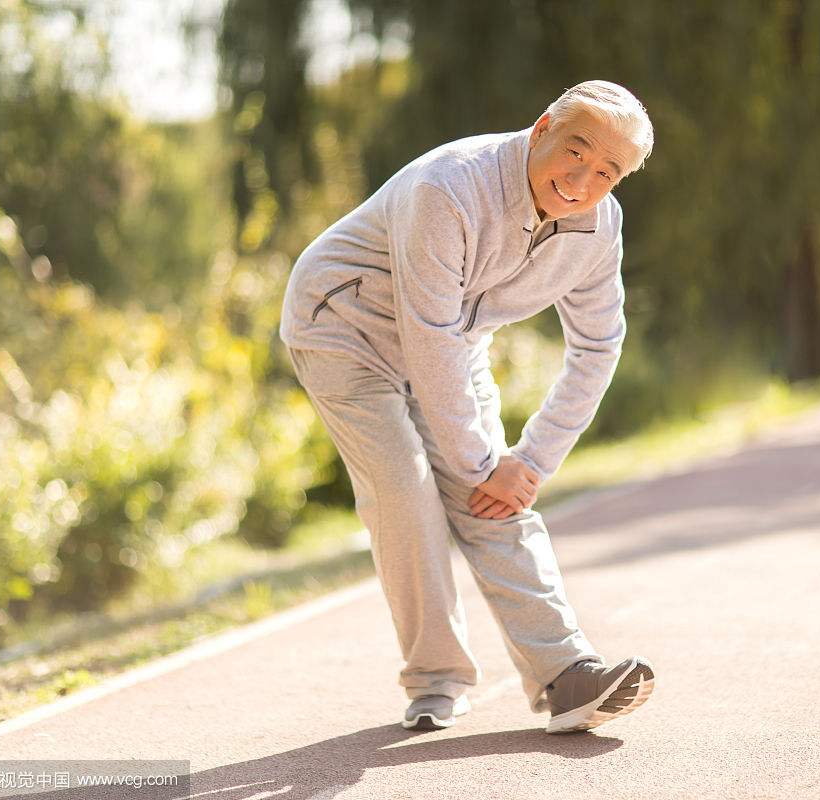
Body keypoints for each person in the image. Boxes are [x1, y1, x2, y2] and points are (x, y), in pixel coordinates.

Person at [279, 80, 655, 734]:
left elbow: (598, 345)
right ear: (541, 129)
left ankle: (566, 675)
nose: (583, 178)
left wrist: (528, 463)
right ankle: (435, 680)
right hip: (344, 327)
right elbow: (426, 334)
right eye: (576, 151)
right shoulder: (448, 189)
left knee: (500, 497)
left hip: (453, 340)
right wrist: (483, 462)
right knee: (405, 488)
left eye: (607, 171)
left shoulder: (599, 226)